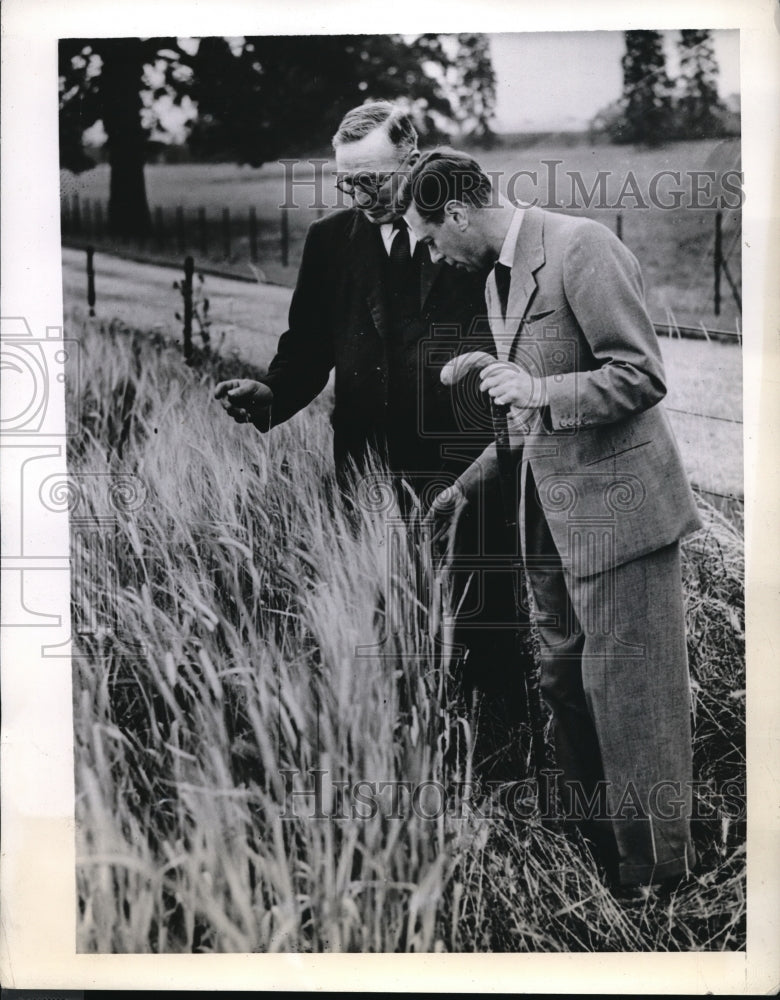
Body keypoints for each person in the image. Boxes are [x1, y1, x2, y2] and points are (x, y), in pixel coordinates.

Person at [403, 148, 703, 896]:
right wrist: (463, 490)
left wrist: (538, 386)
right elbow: (523, 421)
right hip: (553, 528)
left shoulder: (582, 247)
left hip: (621, 520)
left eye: (431, 236)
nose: (432, 253)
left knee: (631, 698)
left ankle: (658, 880)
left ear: (459, 214)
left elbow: (640, 374)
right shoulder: (499, 278)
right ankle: (590, 862)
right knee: (564, 683)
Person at [213, 104, 529, 775]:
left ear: (412, 161)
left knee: (478, 612)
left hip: (461, 467)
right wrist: (275, 392)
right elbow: (308, 344)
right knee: (381, 610)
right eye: (346, 183)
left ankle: (494, 757)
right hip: (365, 463)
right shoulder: (332, 241)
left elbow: (510, 344)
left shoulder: (466, 230)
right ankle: (401, 749)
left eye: (371, 181)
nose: (358, 197)